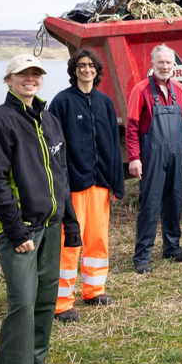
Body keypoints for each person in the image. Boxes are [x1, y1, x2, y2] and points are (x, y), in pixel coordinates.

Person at [0, 55, 81, 364]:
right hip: (22, 230)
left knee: (45, 297)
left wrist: (70, 221)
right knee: (21, 302)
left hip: (51, 226)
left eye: (36, 74)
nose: (30, 79)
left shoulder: (49, 120)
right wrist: (17, 232)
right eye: (23, 74)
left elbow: (60, 174)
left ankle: (34, 360)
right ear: (9, 80)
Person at [48, 50, 125, 323]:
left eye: (91, 65)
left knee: (98, 239)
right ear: (74, 70)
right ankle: (60, 302)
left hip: (100, 183)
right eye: (81, 66)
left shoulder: (105, 103)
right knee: (69, 243)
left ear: (97, 70)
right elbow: (52, 147)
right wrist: (59, 184)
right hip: (73, 186)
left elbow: (114, 146)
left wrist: (117, 182)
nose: (86, 70)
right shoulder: (62, 102)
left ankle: (95, 290)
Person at [126, 44, 182, 273]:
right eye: (161, 62)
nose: (165, 66)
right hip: (152, 154)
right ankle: (142, 256)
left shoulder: (179, 89)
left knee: (174, 200)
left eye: (168, 63)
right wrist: (134, 158)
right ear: (152, 64)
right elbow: (133, 127)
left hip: (177, 152)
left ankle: (172, 248)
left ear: (174, 65)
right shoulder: (141, 89)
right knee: (150, 203)